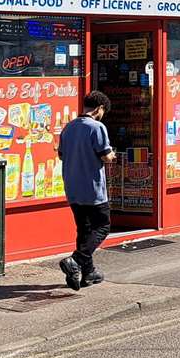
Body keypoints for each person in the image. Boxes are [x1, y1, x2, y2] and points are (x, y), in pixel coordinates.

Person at [57, 90, 116, 290]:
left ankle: (88, 273)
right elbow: (106, 156)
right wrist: (112, 155)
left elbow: (62, 156)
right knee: (103, 226)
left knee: (84, 230)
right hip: (92, 188)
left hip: (73, 187)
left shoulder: (68, 128)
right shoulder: (97, 127)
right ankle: (75, 260)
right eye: (103, 112)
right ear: (99, 108)